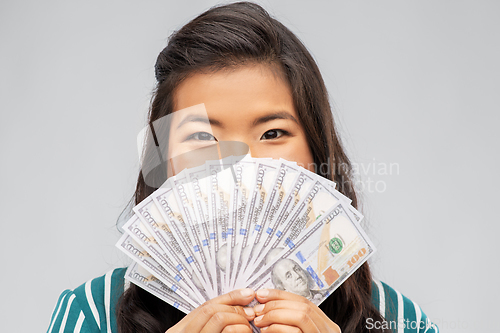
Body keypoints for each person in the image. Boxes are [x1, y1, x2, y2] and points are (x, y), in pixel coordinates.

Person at [47, 2, 439, 333]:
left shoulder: (397, 320)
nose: (242, 165)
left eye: (272, 133)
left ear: (316, 151)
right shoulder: (92, 312)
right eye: (202, 137)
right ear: (162, 158)